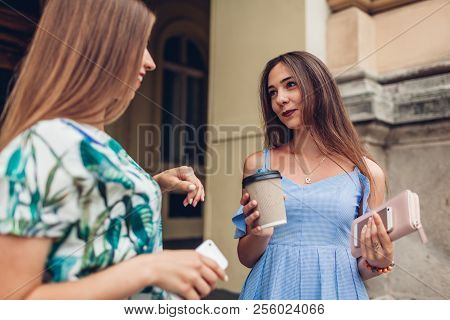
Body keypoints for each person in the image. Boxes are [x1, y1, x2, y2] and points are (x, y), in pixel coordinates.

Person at [0, 0, 226, 300]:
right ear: (100, 48)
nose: (151, 61)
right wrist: (149, 269)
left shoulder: (95, 140)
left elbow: (90, 215)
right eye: (140, 44)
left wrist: (155, 184)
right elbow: (13, 302)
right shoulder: (40, 146)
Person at [232, 51, 394, 299]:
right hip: (270, 292)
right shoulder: (259, 165)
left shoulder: (367, 173)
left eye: (290, 85)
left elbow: (362, 266)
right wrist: (258, 234)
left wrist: (378, 260)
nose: (280, 99)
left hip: (338, 294)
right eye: (272, 92)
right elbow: (247, 257)